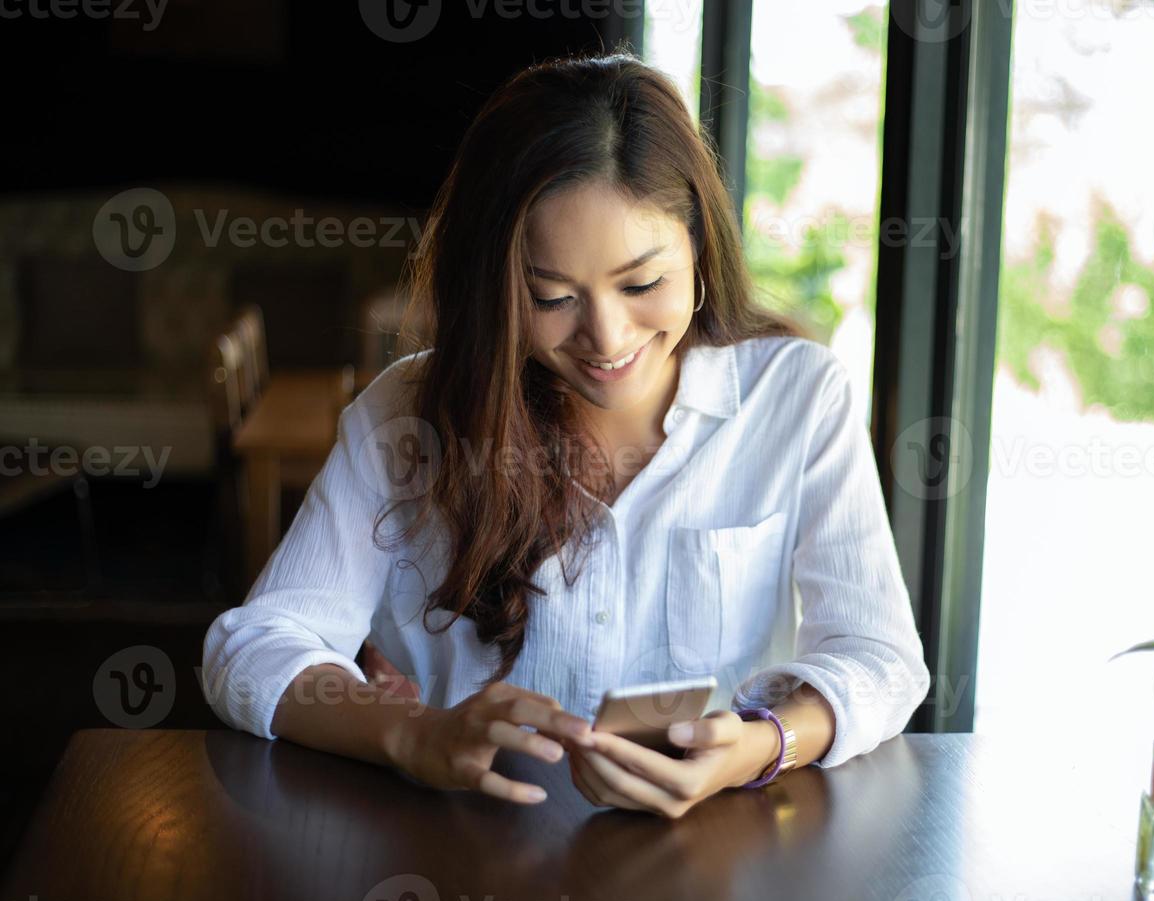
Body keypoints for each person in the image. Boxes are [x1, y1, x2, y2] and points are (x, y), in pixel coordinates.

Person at [202, 51, 928, 818]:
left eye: (643, 284)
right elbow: (253, 648)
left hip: (713, 871)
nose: (606, 337)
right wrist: (410, 732)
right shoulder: (408, 415)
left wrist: (759, 744)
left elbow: (878, 658)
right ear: (494, 287)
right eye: (551, 296)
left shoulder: (797, 398)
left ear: (700, 248)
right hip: (462, 865)